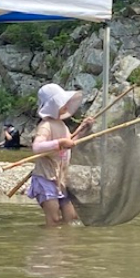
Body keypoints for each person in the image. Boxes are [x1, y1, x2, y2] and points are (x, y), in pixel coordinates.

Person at [26, 84, 94, 227]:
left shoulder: (61, 125)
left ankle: (62, 243)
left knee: (71, 217)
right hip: (45, 178)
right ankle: (50, 245)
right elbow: (37, 147)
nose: (66, 105)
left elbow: (70, 144)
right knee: (54, 218)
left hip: (60, 179)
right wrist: (59, 142)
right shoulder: (46, 125)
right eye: (62, 103)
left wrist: (83, 128)